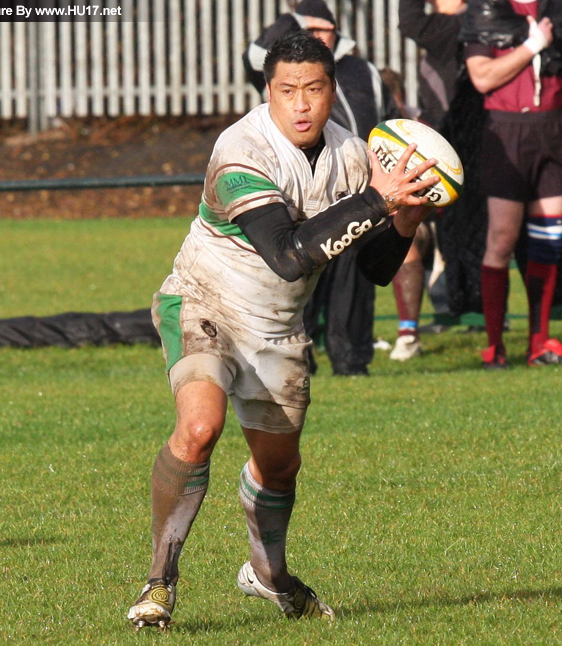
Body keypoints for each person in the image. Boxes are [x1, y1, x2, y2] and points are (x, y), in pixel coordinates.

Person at [127, 30, 439, 630]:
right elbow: (288, 255)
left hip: (277, 328)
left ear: (332, 91)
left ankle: (267, 575)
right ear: (267, 92)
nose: (300, 104)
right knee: (199, 429)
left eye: (314, 90)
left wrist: (406, 215)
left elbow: (374, 269)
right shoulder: (240, 150)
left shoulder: (353, 155)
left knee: (279, 468)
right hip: (203, 304)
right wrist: (378, 197)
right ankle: (158, 584)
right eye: (287, 90)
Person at [244, 0, 401, 375]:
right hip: (301, 188)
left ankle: (352, 362)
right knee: (301, 274)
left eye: (322, 29)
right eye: (306, 29)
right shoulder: (282, 69)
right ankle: (300, 358)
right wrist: (292, 20)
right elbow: (252, 56)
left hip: (358, 185)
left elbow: (390, 118)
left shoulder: (362, 70)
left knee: (354, 281)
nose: (314, 36)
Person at [462, 0, 562, 367]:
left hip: (552, 131)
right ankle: (494, 346)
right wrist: (532, 46)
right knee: (502, 239)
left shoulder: (557, 9)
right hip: (506, 132)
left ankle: (540, 342)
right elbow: (482, 76)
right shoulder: (485, 9)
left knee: (549, 240)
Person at [391, 0, 468, 361]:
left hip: (453, 148)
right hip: (440, 145)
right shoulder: (462, 26)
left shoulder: (451, 27)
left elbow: (408, 21)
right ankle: (455, 309)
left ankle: (463, 308)